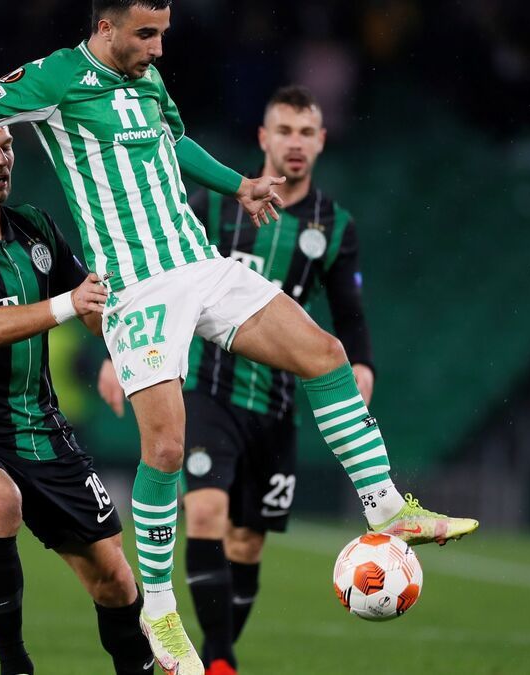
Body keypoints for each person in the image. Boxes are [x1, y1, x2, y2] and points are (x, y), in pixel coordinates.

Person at [0, 3, 478, 671]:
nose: (158, 48)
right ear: (105, 28)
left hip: (200, 263)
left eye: (163, 33)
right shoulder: (57, 77)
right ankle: (158, 607)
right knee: (165, 447)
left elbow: (174, 142)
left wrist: (239, 183)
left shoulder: (149, 79)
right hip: (136, 285)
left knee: (325, 354)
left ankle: (386, 508)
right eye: (146, 34)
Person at [97, 84, 376, 675]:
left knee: (248, 542)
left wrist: (361, 366)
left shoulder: (334, 225)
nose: (295, 143)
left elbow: (349, 313)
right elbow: (155, 276)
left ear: (321, 141)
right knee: (204, 514)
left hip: (276, 402)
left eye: (306, 133)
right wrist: (117, 355)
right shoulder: (215, 205)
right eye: (285, 131)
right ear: (263, 137)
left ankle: (219, 648)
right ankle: (219, 661)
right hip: (210, 390)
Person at [0, 124, 155, 675]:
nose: (2, 160)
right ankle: (15, 666)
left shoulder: (36, 228)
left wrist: (119, 349)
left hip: (40, 429)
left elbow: (93, 309)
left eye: (8, 147)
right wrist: (69, 304)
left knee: (116, 580)